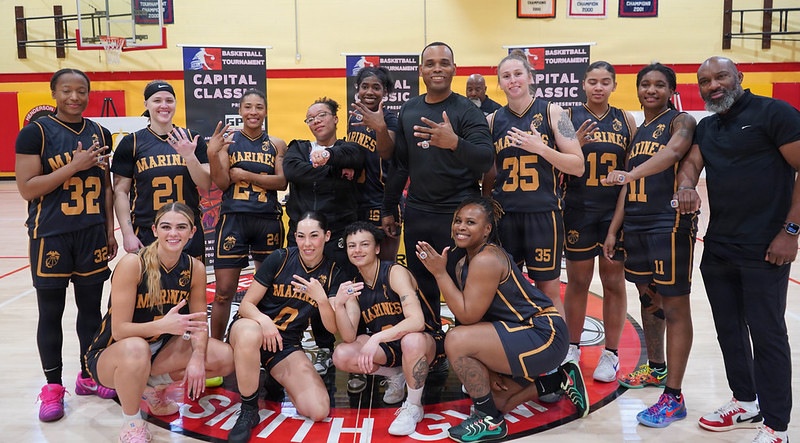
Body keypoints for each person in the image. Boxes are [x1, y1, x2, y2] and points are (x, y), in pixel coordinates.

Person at [676, 56, 800, 443]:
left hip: (766, 247)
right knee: (729, 330)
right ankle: (745, 401)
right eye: (704, 81)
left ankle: (777, 425)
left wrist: (791, 231)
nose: (713, 85)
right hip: (719, 246)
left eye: (720, 77)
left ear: (739, 77)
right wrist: (684, 185)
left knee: (768, 335)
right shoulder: (709, 126)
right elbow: (691, 166)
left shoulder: (774, 113)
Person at [416, 196, 589, 443]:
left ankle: (489, 421)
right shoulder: (464, 262)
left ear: (487, 229)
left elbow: (467, 316)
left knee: (454, 340)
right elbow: (472, 323)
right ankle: (559, 380)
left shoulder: (487, 259)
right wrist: (489, 369)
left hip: (544, 334)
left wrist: (438, 272)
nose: (461, 226)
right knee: (496, 398)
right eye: (458, 221)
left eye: (471, 222)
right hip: (518, 334)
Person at [15, 68, 118, 422]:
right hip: (52, 234)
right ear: (54, 93)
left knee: (91, 312)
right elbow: (28, 188)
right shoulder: (34, 134)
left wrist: (109, 230)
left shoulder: (100, 132)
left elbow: (105, 186)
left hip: (91, 232)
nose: (74, 97)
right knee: (51, 313)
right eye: (66, 91)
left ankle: (88, 375)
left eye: (80, 91)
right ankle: (52, 386)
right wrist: (73, 166)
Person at [83, 202, 234, 443]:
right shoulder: (133, 264)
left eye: (181, 227)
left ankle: (151, 389)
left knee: (223, 356)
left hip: (159, 350)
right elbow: (120, 330)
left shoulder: (194, 268)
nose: (173, 233)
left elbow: (198, 324)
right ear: (155, 230)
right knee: (136, 347)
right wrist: (163, 326)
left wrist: (197, 358)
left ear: (192, 232)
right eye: (166, 227)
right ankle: (132, 422)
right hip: (112, 354)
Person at [602, 63, 697, 428]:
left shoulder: (681, 120)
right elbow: (627, 186)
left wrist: (632, 173)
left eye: (659, 84)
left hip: (669, 222)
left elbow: (674, 154)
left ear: (670, 89)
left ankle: (673, 397)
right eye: (645, 84)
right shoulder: (639, 130)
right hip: (637, 225)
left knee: (675, 305)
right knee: (648, 298)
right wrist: (614, 229)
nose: (651, 90)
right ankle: (657, 368)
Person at [383, 41, 494, 330]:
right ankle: (432, 346)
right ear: (420, 70)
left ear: (454, 69)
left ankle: (466, 349)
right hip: (419, 213)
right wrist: (388, 207)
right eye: (430, 63)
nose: (437, 68)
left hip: (458, 215)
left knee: (462, 283)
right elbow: (400, 165)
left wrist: (454, 142)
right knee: (422, 285)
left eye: (444, 63)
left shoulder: (467, 110)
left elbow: (485, 159)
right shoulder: (409, 109)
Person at [226, 212, 347, 443]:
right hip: (250, 328)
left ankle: (275, 376)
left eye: (314, 236)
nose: (307, 243)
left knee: (319, 409)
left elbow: (332, 329)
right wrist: (264, 322)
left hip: (285, 343)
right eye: (301, 236)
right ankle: (249, 410)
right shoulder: (280, 258)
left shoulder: (333, 272)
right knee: (251, 333)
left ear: (327, 236)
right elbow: (246, 305)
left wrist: (321, 299)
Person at [482, 49, 584, 314]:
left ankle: (558, 353)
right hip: (506, 216)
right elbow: (487, 173)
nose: (513, 80)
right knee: (507, 287)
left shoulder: (554, 113)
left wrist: (542, 149)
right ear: (500, 82)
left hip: (543, 214)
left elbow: (578, 165)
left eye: (518, 74)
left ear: (530, 77)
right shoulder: (492, 121)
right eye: (506, 76)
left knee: (548, 289)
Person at [332, 221, 446, 436]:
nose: (357, 250)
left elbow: (416, 322)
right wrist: (339, 305)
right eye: (351, 246)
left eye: (364, 244)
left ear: (376, 248)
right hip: (391, 346)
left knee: (410, 340)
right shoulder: (355, 284)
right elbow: (348, 336)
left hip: (425, 341)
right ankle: (397, 374)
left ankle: (413, 406)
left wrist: (376, 339)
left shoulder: (394, 272)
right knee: (342, 355)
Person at [563, 61, 636, 382]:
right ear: (583, 84)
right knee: (578, 283)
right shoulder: (567, 117)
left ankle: (611, 353)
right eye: (592, 81)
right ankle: (572, 347)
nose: (598, 87)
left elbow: (632, 172)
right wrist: (573, 144)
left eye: (605, 82)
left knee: (613, 283)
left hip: (613, 213)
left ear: (614, 85)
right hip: (577, 209)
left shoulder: (626, 120)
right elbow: (558, 165)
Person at [283, 97, 365, 376]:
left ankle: (354, 351)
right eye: (311, 118)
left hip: (340, 235)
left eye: (321, 115)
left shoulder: (348, 148)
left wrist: (329, 157)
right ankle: (319, 347)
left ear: (335, 119)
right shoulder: (298, 147)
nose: (316, 121)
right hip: (304, 236)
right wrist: (331, 170)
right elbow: (293, 171)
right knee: (305, 291)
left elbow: (357, 158)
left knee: (342, 293)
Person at [206, 89, 288, 340]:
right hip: (234, 219)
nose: (253, 112)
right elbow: (221, 183)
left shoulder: (276, 144)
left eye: (259, 107)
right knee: (223, 292)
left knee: (267, 290)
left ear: (265, 111)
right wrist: (212, 153)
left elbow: (282, 182)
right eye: (248, 107)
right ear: (240, 111)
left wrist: (246, 176)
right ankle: (216, 349)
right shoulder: (228, 141)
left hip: (267, 220)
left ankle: (264, 347)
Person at [111, 80, 211, 259]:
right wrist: (127, 234)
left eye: (169, 100)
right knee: (150, 286)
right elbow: (120, 192)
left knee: (190, 284)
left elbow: (205, 183)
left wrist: (189, 156)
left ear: (175, 104)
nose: (164, 106)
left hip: (187, 230)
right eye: (157, 100)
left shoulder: (192, 138)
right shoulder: (131, 143)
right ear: (146, 104)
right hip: (147, 232)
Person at [347, 66, 401, 261]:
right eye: (365, 86)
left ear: (385, 92)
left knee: (385, 266)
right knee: (360, 265)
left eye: (376, 87)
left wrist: (380, 128)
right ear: (357, 89)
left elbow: (387, 153)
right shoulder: (353, 117)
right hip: (356, 202)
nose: (369, 92)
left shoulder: (390, 119)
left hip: (382, 202)